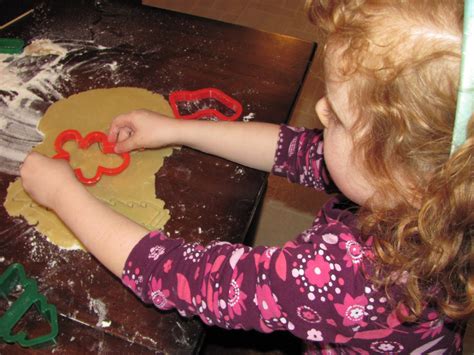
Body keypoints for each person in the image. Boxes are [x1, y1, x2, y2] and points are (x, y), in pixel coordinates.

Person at [20, 0, 473, 353]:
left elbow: (187, 279)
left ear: (405, 174)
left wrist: (63, 194)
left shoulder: (352, 276)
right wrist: (177, 129)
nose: (319, 110)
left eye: (338, 117)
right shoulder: (438, 192)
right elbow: (295, 151)